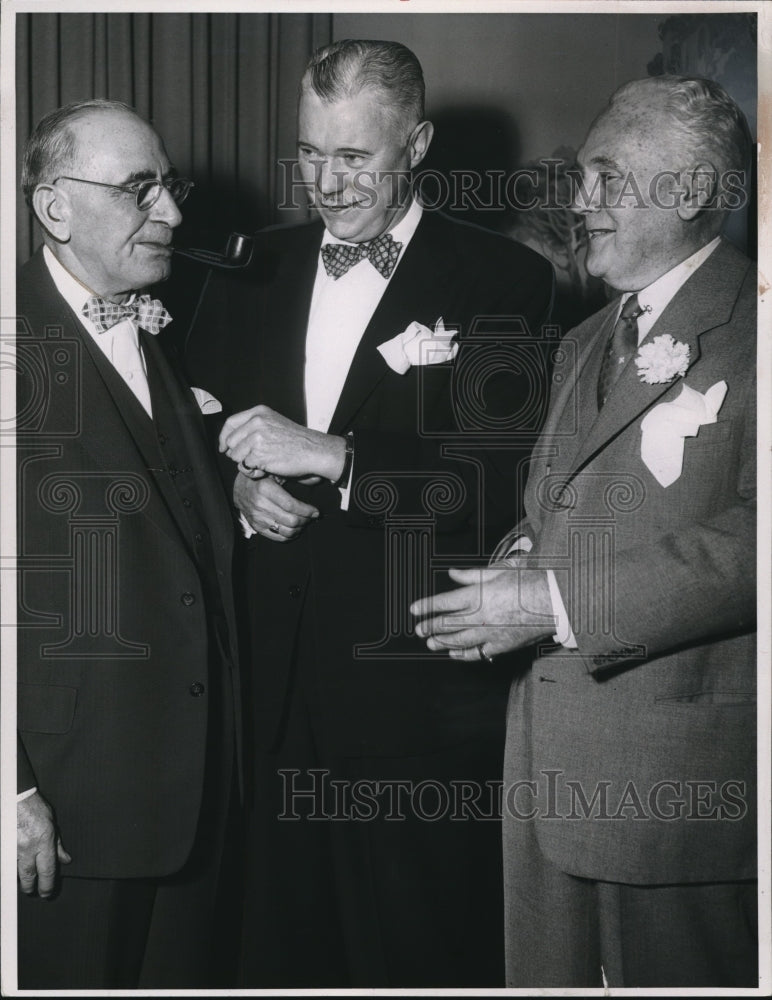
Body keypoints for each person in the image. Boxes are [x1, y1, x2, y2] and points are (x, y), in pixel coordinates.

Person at [184, 39, 553, 987]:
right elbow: (188, 435)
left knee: (418, 957)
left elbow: (493, 489)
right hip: (262, 695)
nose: (326, 180)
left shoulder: (502, 280)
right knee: (272, 958)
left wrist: (336, 459)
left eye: (356, 157)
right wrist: (234, 486)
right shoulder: (245, 268)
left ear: (419, 143)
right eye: (311, 152)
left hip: (412, 709)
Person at [411, 75, 757, 988]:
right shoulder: (584, 339)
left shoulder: (754, 329)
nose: (581, 201)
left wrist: (558, 599)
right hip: (545, 779)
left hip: (678, 793)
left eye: (608, 177)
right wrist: (519, 560)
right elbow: (549, 512)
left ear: (688, 193)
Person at [16, 99, 241, 989]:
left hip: (195, 802)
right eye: (140, 189)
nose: (175, 214)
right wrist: (11, 795)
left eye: (170, 186)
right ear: (55, 208)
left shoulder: (159, 328)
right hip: (69, 817)